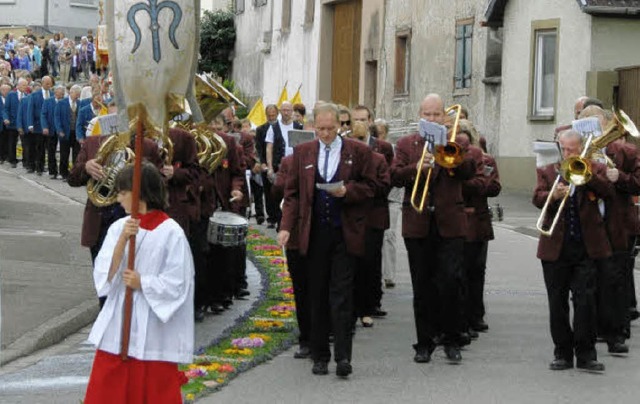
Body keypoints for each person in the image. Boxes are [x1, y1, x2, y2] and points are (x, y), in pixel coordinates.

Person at [277, 102, 377, 378]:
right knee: (317, 294)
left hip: (344, 233)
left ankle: (343, 356)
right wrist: (286, 227)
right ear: (313, 127)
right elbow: (293, 194)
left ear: (340, 126)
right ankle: (319, 355)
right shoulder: (302, 152)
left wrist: (348, 191)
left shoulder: (358, 152)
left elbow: (372, 187)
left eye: (331, 129)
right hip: (314, 234)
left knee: (341, 296)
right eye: (320, 129)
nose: (325, 134)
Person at [83, 162, 194, 404]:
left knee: (150, 387)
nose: (119, 198)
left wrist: (143, 282)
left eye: (123, 192)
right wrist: (123, 239)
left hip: (153, 324)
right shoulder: (117, 229)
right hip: (120, 321)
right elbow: (104, 274)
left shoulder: (171, 231)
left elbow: (178, 282)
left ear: (139, 193)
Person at [391, 94, 480, 364]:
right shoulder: (407, 144)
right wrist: (414, 167)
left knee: (451, 282)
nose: (431, 119)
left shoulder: (458, 141)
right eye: (427, 114)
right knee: (422, 285)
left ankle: (452, 339)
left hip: (450, 223)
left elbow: (469, 172)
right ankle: (424, 342)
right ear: (420, 116)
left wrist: (448, 157)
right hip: (418, 222)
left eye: (436, 114)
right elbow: (393, 175)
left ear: (445, 117)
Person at [534, 129, 613, 372]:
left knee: (586, 301)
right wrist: (552, 195)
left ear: (582, 149)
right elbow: (537, 198)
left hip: (586, 247)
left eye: (572, 150)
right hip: (555, 248)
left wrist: (586, 174)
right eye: (564, 149)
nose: (567, 154)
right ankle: (563, 353)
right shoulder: (549, 169)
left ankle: (587, 353)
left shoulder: (594, 169)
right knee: (557, 303)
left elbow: (608, 193)